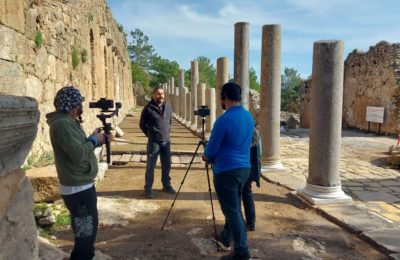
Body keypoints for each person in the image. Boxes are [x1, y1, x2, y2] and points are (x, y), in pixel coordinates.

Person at [46, 86, 111, 260]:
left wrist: (93, 138)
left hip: (81, 186)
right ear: (74, 106)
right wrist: (94, 140)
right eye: (79, 103)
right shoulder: (62, 124)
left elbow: (77, 147)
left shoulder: (68, 122)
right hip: (78, 190)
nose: (82, 106)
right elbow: (78, 154)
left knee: (87, 231)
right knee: (85, 235)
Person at [202, 82, 254, 260]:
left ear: (224, 97)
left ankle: (242, 251)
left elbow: (212, 149)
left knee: (232, 211)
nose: (220, 100)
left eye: (221, 97)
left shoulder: (223, 120)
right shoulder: (248, 117)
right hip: (244, 169)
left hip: (226, 171)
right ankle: (226, 236)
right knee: (234, 207)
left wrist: (205, 156)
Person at [140, 86, 176, 198]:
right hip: (154, 142)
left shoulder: (168, 106)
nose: (161, 96)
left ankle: (166, 185)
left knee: (167, 165)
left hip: (166, 141)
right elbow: (142, 125)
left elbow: (170, 121)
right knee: (151, 166)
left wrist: (166, 133)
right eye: (158, 94)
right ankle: (148, 189)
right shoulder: (148, 108)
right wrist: (150, 134)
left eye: (162, 94)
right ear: (153, 95)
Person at [242, 127, 261, 232]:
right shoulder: (255, 132)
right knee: (247, 193)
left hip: (240, 166)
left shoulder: (242, 130)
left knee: (234, 196)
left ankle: (237, 226)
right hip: (250, 167)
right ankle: (251, 223)